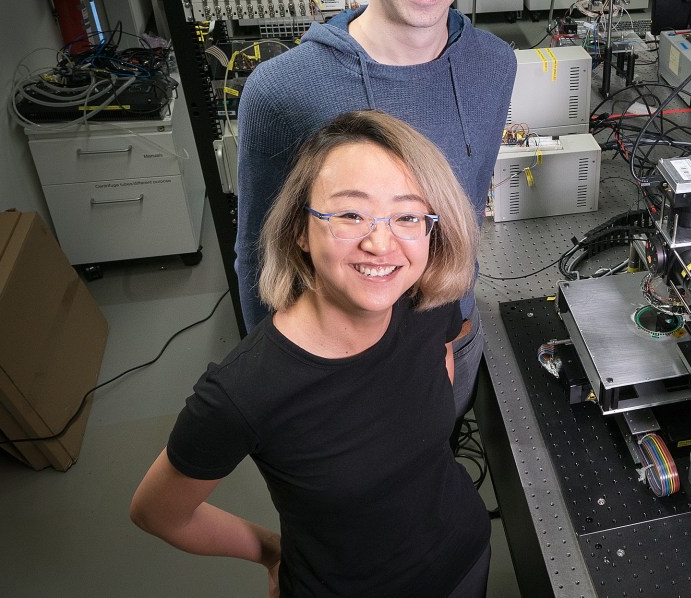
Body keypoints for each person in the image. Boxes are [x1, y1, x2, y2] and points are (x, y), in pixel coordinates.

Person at [131, 111, 490, 597]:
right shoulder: (243, 390)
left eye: (407, 216)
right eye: (349, 214)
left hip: (464, 559)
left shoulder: (425, 307)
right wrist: (270, 550)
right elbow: (157, 511)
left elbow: (440, 368)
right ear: (301, 230)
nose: (380, 243)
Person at [234, 0, 517, 419]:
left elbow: (466, 216)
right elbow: (256, 256)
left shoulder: (495, 64)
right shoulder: (284, 90)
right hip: (339, 374)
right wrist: (280, 388)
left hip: (448, 346)